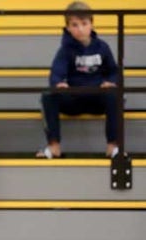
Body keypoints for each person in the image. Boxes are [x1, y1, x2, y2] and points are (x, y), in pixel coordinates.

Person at [37, 1, 119, 159]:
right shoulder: (65, 50)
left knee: (115, 95)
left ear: (92, 24)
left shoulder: (103, 47)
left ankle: (113, 146)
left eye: (84, 23)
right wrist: (59, 84)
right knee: (48, 96)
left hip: (97, 98)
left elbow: (114, 71)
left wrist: (110, 81)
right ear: (67, 27)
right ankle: (53, 146)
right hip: (74, 99)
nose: (80, 29)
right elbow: (56, 72)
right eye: (74, 25)